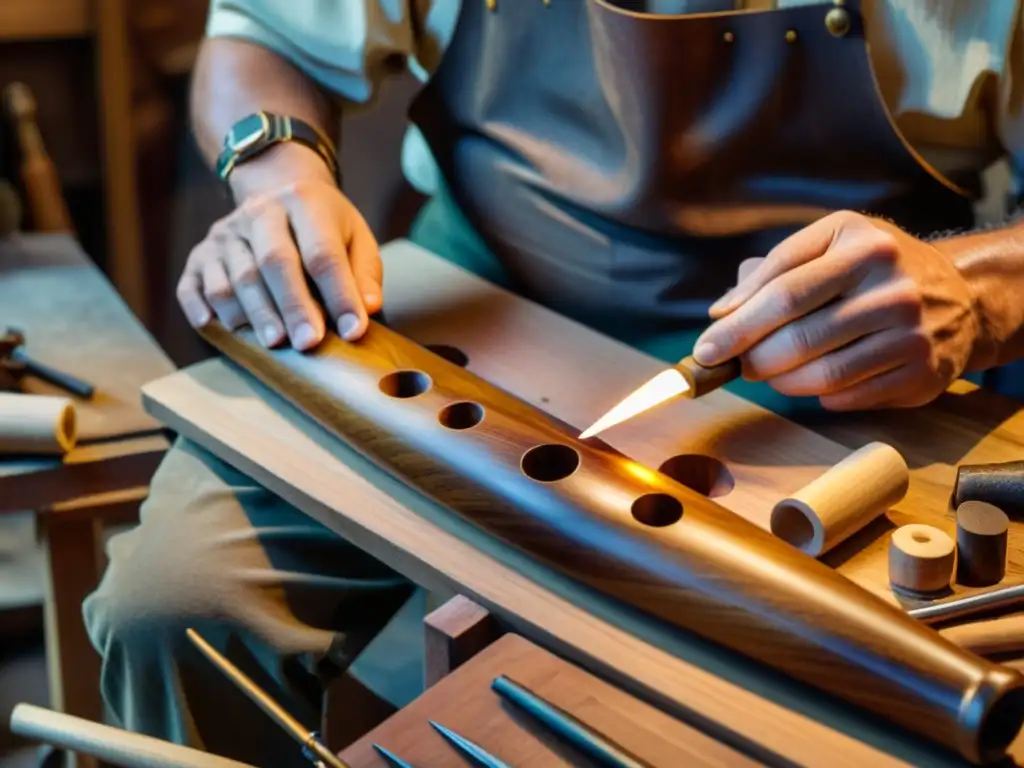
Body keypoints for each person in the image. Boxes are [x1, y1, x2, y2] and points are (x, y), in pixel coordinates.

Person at [85, 0, 1024, 764]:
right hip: (453, 315)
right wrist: (278, 171)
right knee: (172, 610)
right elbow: (260, 34)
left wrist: (977, 290)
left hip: (830, 368)